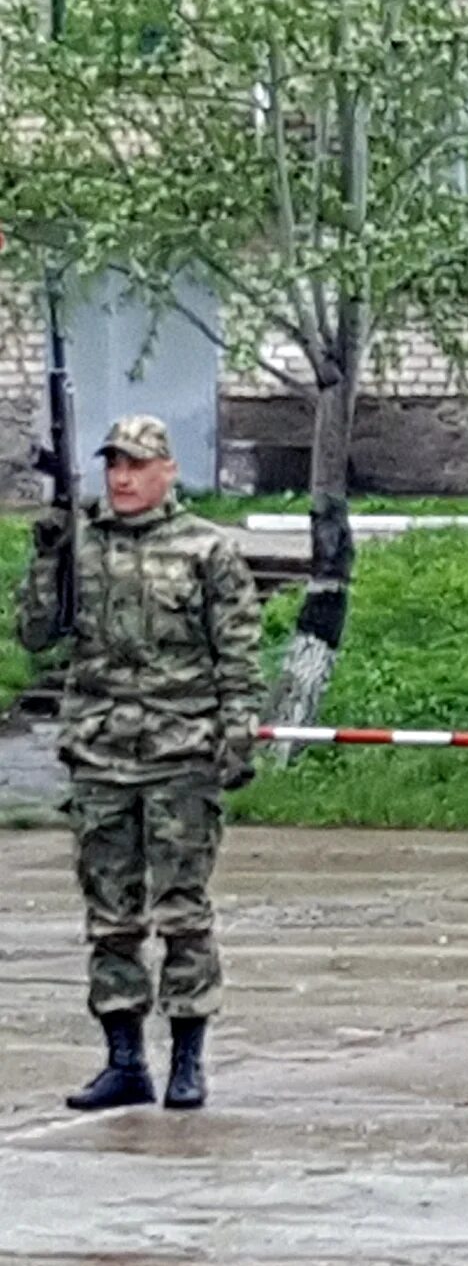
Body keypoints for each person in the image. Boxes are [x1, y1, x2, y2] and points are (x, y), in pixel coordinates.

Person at [15, 416, 260, 1112]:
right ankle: (124, 1060)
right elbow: (35, 634)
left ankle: (187, 1059)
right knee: (110, 917)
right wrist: (48, 555)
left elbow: (237, 657)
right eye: (113, 465)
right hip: (99, 756)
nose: (121, 478)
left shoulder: (207, 550)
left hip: (180, 755)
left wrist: (237, 736)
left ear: (167, 470)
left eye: (135, 464)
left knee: (182, 913)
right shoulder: (82, 544)